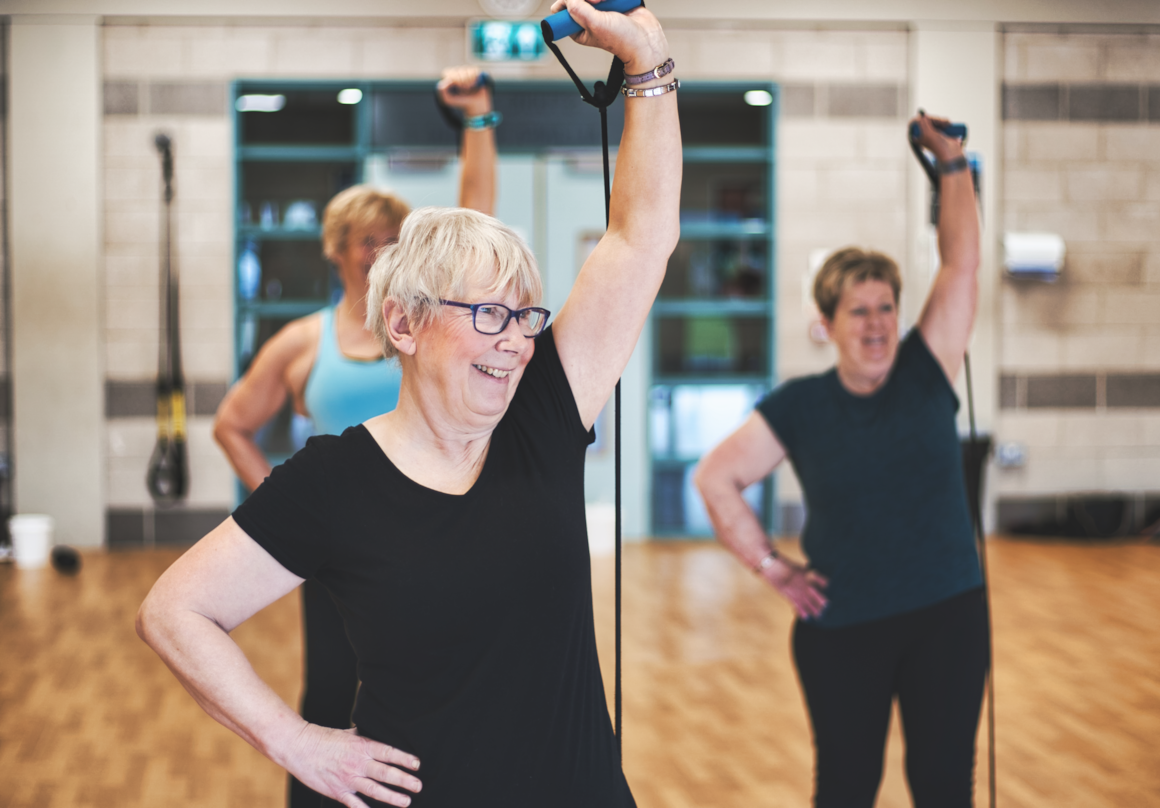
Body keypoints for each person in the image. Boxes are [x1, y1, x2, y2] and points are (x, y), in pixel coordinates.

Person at [137, 3, 680, 806]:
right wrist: (294, 741)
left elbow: (640, 237)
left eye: (523, 316)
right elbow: (174, 610)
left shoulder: (543, 414)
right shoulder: (333, 481)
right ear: (404, 324)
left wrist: (648, 62)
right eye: (486, 314)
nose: (514, 341)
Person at [211, 65, 498, 808]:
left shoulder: (424, 324)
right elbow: (233, 425)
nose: (380, 252)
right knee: (335, 693)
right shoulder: (303, 341)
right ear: (337, 250)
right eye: (368, 241)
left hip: (443, 530)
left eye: (393, 241)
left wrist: (477, 120)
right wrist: (285, 507)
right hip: (344, 550)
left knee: (448, 687)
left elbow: (476, 216)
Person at [694, 113, 987, 807]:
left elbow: (960, 264)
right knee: (847, 789)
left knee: (945, 786)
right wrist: (771, 567)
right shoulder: (800, 406)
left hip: (948, 616)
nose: (877, 323)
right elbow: (716, 478)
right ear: (826, 325)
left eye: (886, 307)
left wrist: (951, 163)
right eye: (859, 311)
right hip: (844, 628)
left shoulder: (927, 371)